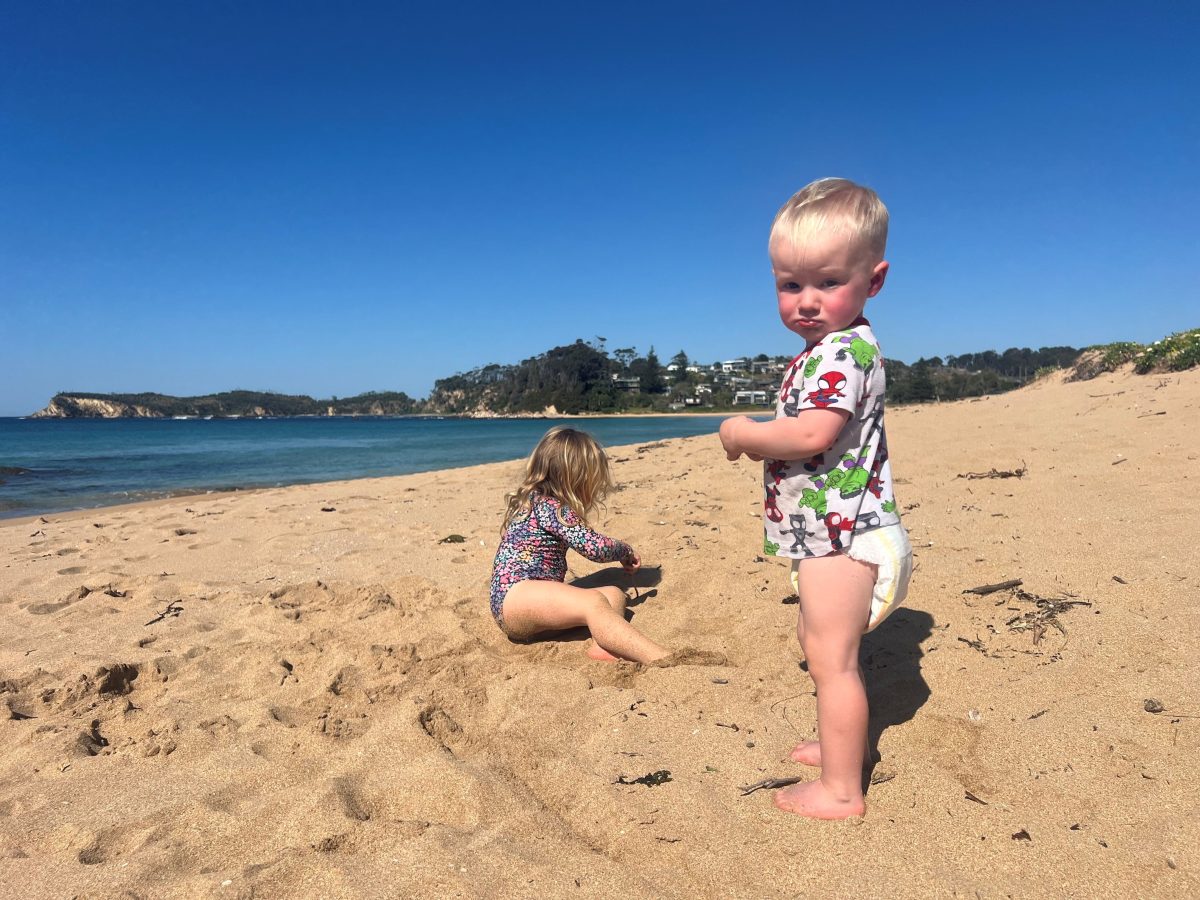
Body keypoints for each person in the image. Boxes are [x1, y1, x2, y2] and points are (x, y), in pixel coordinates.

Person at [719, 178, 912, 819]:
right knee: (819, 643)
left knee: (832, 662)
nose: (806, 301)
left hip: (844, 532)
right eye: (789, 284)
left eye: (827, 283)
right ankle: (840, 746)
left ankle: (840, 789)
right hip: (828, 529)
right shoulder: (830, 348)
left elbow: (812, 432)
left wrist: (745, 433)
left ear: (872, 280)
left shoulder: (841, 354)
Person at [490, 425, 670, 663]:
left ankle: (603, 646)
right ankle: (660, 658)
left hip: (526, 606)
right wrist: (623, 549)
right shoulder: (552, 507)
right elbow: (593, 547)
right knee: (593, 601)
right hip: (518, 596)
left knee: (613, 595)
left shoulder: (531, 502)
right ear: (576, 479)